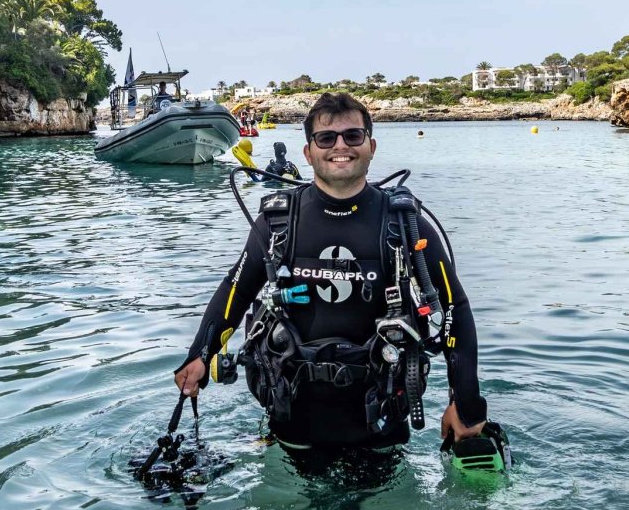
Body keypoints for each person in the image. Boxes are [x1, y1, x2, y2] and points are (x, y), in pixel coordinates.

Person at [174, 92, 487, 453]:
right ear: (308, 152)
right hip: (293, 420)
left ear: (371, 145)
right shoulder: (278, 223)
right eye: (326, 138)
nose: (341, 146)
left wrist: (466, 403)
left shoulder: (405, 224)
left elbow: (454, 307)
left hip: (381, 425)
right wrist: (199, 353)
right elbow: (236, 289)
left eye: (352, 136)